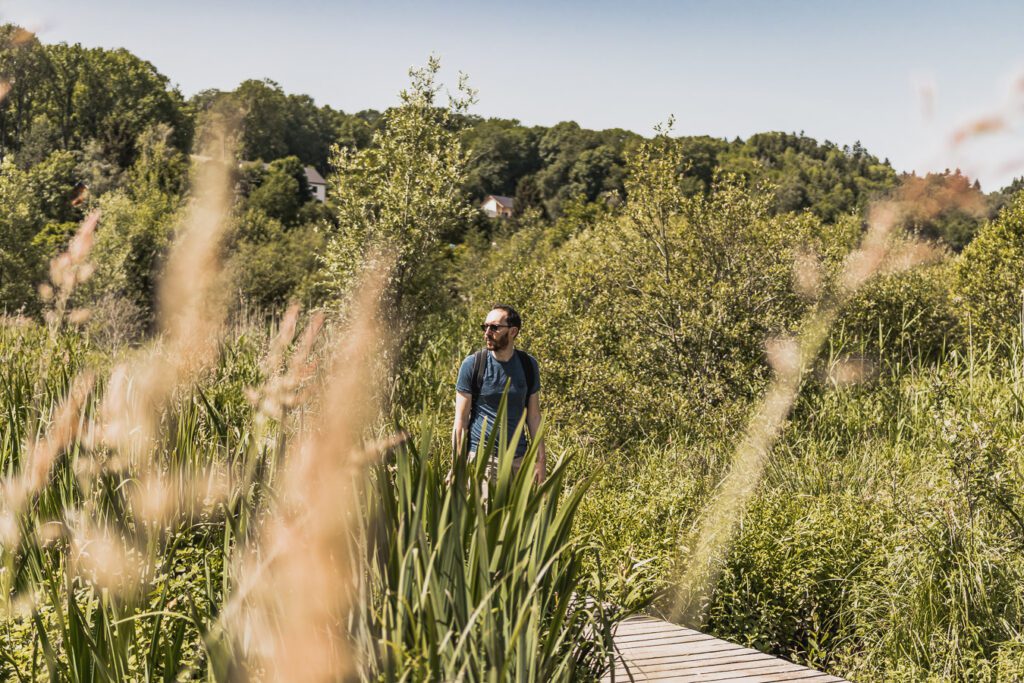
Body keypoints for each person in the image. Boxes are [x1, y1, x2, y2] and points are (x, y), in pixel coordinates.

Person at [453, 304, 545, 485]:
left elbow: (534, 417)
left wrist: (540, 461)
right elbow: (460, 421)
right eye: (485, 327)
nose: (487, 332)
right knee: (485, 513)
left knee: (521, 514)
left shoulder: (528, 365)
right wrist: (457, 466)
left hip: (519, 460)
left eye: (494, 327)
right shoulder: (472, 365)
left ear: (513, 331)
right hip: (482, 460)